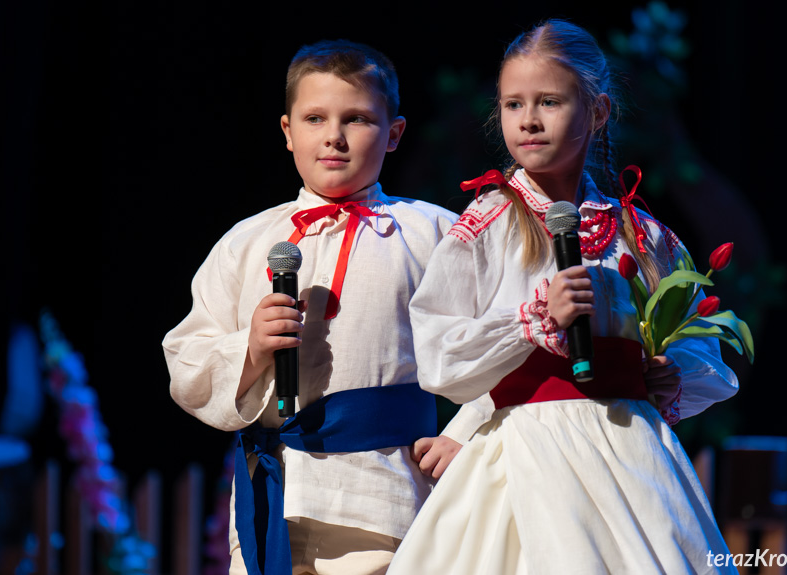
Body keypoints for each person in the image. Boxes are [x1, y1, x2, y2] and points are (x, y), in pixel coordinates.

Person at [386, 19, 739, 575]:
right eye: (512, 104)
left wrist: (666, 373)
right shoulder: (489, 224)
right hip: (527, 453)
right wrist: (530, 322)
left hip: (628, 452)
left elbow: (700, 349)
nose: (528, 120)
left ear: (597, 112)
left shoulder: (640, 234)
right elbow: (437, 347)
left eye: (548, 101)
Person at [163, 39, 473, 575]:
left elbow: (502, 344)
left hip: (385, 502)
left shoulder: (436, 234)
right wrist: (251, 347)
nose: (333, 135)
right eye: (314, 118)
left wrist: (462, 433)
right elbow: (187, 359)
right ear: (287, 132)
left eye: (356, 118)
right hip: (272, 501)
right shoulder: (249, 240)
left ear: (394, 133)